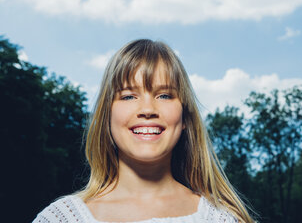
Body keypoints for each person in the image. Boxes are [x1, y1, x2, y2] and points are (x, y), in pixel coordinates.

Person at [33, 39, 255, 223]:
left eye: (164, 95)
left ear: (185, 117)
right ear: (106, 116)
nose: (148, 109)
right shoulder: (60, 219)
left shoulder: (221, 218)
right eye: (129, 96)